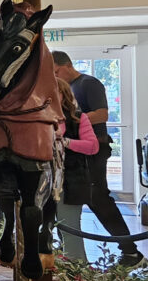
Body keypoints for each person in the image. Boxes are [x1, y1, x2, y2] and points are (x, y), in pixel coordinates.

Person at [53, 51, 144, 267]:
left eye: (56, 71)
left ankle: (131, 251)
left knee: (98, 199)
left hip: (94, 150)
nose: (55, 77)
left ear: (67, 65)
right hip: (73, 155)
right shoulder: (71, 87)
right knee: (67, 198)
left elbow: (102, 114)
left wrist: (73, 118)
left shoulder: (88, 83)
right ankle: (67, 247)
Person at [53, 78, 99, 262]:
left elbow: (92, 146)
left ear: (64, 95)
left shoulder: (79, 118)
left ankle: (75, 268)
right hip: (40, 180)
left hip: (71, 179)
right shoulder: (35, 119)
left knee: (70, 225)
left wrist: (66, 142)